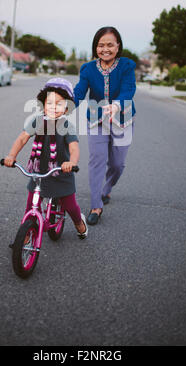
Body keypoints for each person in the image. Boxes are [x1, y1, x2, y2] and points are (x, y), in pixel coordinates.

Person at [4, 78, 88, 239]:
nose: (53, 107)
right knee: (31, 204)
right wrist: (11, 156)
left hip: (61, 171)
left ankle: (79, 223)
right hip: (39, 172)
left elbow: (74, 147)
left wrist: (72, 162)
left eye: (59, 103)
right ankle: (26, 235)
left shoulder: (66, 125)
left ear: (67, 107)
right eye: (49, 103)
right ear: (43, 104)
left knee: (70, 206)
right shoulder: (37, 121)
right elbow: (22, 138)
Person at [74, 26, 136, 225]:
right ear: (95, 47)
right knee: (96, 161)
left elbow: (129, 89)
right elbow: (79, 92)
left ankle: (106, 189)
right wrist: (63, 105)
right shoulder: (88, 69)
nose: (105, 49)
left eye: (110, 44)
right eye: (101, 45)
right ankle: (95, 205)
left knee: (117, 164)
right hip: (96, 120)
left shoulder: (126, 66)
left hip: (122, 120)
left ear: (118, 47)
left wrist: (116, 105)